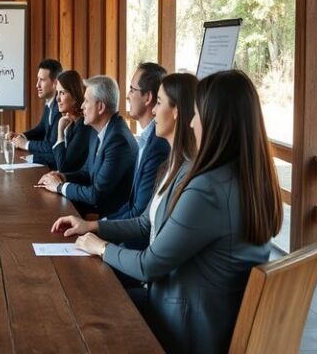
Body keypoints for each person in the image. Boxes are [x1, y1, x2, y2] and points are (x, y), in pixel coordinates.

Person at [72, 71, 283, 354]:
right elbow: (148, 225)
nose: (192, 123)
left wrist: (100, 246)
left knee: (92, 312)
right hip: (212, 324)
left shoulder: (208, 188)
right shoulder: (250, 178)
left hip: (191, 341)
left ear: (214, 122)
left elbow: (149, 265)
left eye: (196, 115)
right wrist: (95, 229)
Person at [51, 72, 198, 253]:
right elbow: (143, 221)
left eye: (158, 103)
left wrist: (101, 243)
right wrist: (92, 226)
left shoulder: (151, 148)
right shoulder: (103, 134)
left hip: (133, 246)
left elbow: (145, 233)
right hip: (125, 234)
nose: (153, 110)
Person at [38, 75, 138, 217]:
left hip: (108, 219)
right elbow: (86, 173)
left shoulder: (118, 140)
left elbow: (96, 194)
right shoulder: (99, 130)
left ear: (101, 107)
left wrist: (60, 187)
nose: (82, 106)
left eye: (86, 101)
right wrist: (62, 176)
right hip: (93, 210)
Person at [105, 62, 170, 225]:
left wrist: (97, 227)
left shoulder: (158, 146)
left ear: (148, 97)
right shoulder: (147, 139)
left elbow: (138, 212)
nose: (127, 96)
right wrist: (100, 222)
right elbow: (131, 204)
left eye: (132, 90)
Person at [8, 58, 62, 166]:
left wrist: (26, 144)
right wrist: (21, 136)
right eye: (38, 79)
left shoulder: (60, 107)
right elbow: (41, 129)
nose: (37, 85)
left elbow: (51, 145)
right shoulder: (50, 103)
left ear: (55, 83)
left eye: (42, 80)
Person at [51, 69, 92, 173]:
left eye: (62, 93)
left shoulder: (83, 126)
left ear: (74, 96)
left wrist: (60, 133)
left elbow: (63, 167)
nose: (57, 99)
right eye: (57, 93)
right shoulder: (72, 123)